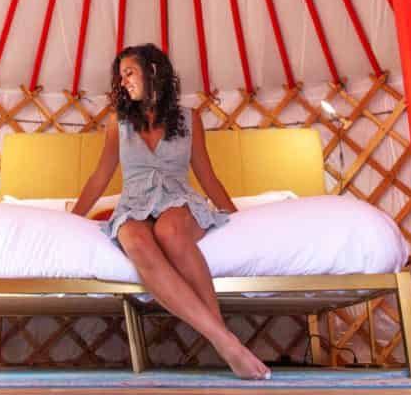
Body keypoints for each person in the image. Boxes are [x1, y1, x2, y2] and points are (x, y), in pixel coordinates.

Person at [71, 43, 270, 381]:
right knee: (134, 238)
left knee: (169, 232)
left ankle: (222, 340)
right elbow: (99, 178)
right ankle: (225, 340)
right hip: (134, 204)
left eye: (130, 73)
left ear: (152, 72)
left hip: (178, 201)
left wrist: (236, 217)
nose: (124, 82)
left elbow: (207, 175)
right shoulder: (117, 125)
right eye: (120, 77)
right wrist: (71, 219)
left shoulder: (188, 119)